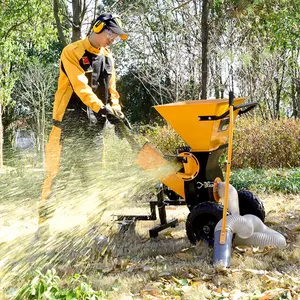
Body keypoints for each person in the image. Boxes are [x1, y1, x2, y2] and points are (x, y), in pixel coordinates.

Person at [37, 13, 128, 236]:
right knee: (56, 177)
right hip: (68, 127)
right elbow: (80, 86)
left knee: (94, 178)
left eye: (116, 36)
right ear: (97, 27)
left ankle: (94, 227)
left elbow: (112, 91)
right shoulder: (72, 52)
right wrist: (102, 108)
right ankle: (43, 227)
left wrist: (116, 109)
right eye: (111, 34)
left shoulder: (108, 58)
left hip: (94, 129)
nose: (113, 39)